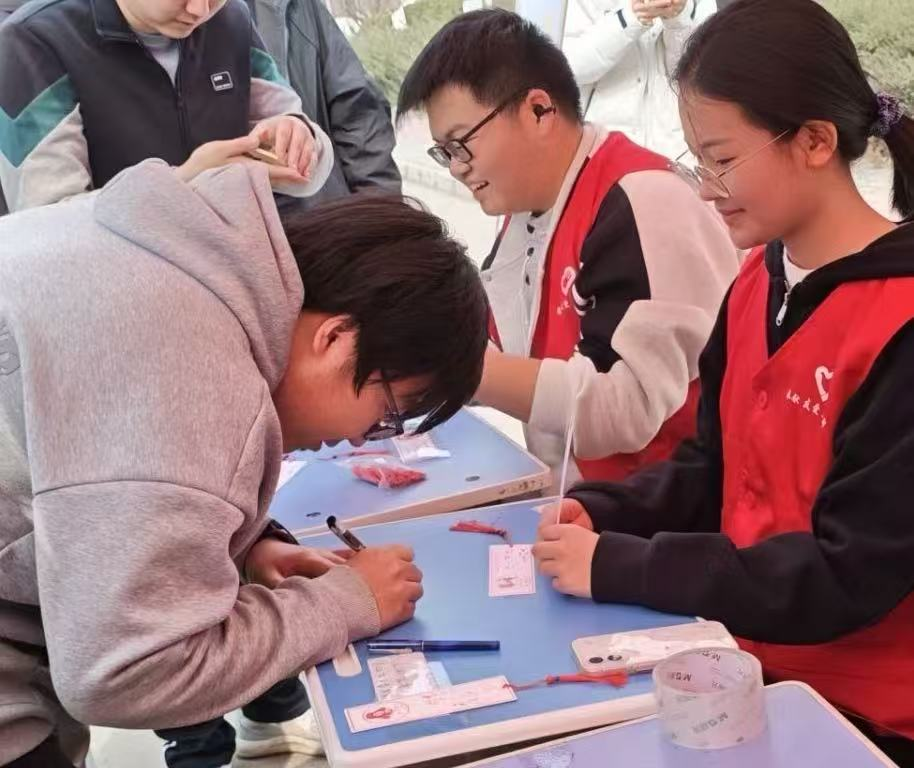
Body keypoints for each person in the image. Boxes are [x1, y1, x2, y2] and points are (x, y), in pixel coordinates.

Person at [0, 159, 488, 767]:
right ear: (336, 337)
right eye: (388, 412)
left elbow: (105, 477)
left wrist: (247, 546)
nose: (362, 438)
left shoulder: (187, 257)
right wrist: (345, 603)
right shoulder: (192, 372)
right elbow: (123, 673)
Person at [532, 0, 914, 762]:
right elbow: (714, 466)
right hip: (740, 672)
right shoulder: (753, 284)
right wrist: (603, 512)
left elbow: (848, 570)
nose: (706, 189)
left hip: (867, 716)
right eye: (697, 161)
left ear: (814, 141)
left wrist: (624, 566)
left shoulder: (898, 321)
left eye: (724, 159)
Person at [397, 9, 738, 490]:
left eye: (461, 144)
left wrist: (466, 369)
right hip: (576, 500)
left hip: (660, 513)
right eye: (444, 153)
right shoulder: (526, 206)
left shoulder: (644, 200)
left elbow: (624, 407)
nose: (456, 168)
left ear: (539, 110)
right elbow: (506, 343)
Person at [0, 0, 333, 213]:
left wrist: (298, 136)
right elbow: (48, 224)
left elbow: (306, 153)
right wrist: (183, 186)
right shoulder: (32, 42)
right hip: (120, 292)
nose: (199, 10)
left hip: (235, 280)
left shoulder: (232, 20)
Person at [246, 0, 402, 208]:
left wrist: (382, 210)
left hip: (319, 212)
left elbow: (356, 110)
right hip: (233, 218)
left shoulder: (300, 9)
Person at [563, 0, 716, 159]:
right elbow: (570, 66)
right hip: (603, 149)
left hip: (677, 151)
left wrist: (677, 19)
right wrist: (631, 16)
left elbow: (699, 76)